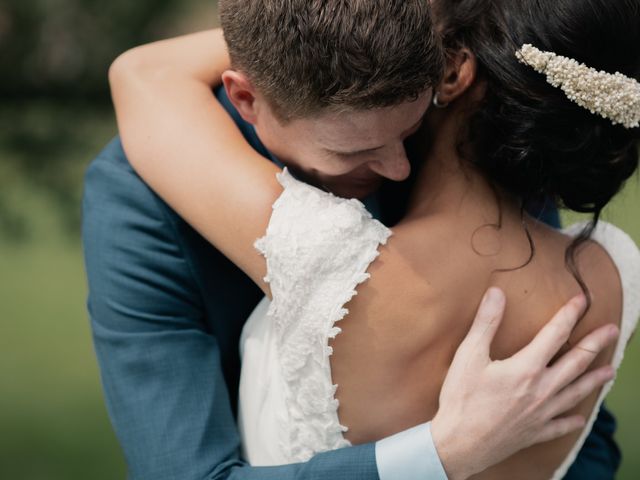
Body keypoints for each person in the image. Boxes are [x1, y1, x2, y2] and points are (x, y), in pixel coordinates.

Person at [85, 1, 630, 479]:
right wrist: (440, 455)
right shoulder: (141, 203)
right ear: (247, 98)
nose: (397, 168)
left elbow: (582, 428)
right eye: (353, 153)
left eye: (407, 133)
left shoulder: (477, 133)